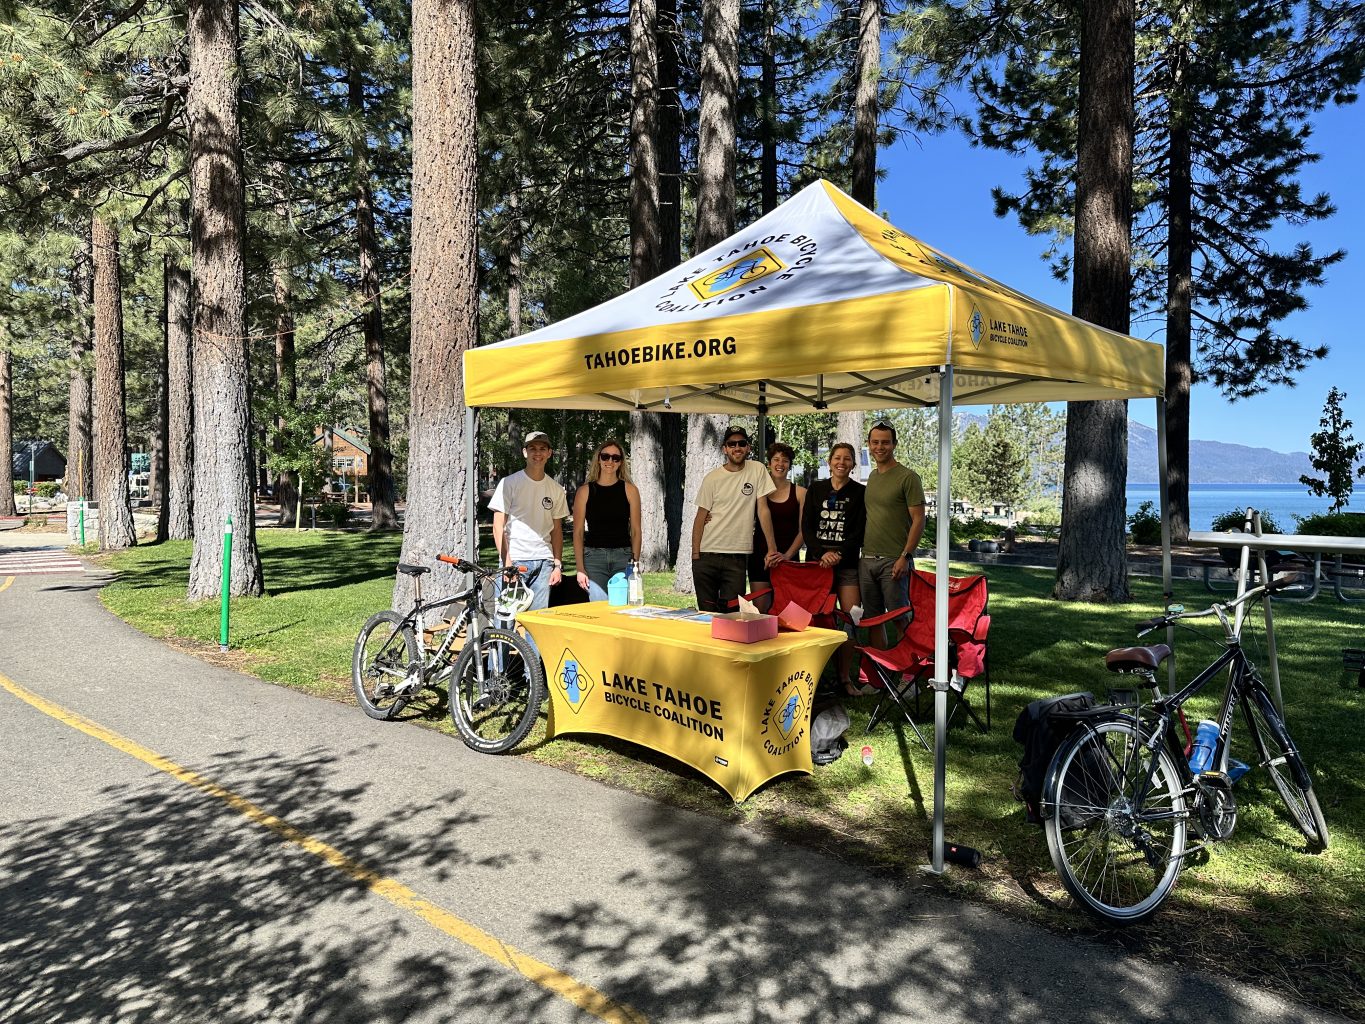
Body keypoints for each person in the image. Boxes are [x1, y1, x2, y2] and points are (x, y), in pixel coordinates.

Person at [690, 426, 780, 612]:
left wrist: (772, 548)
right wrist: (695, 555)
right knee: (706, 615)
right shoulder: (712, 478)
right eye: (732, 444)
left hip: (737, 557)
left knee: (732, 615)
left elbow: (763, 509)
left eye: (741, 443)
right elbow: (700, 518)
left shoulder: (757, 469)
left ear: (748, 447)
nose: (737, 447)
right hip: (707, 554)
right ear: (725, 448)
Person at [802, 442, 866, 691]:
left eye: (847, 458)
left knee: (852, 619)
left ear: (852, 464)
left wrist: (838, 553)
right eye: (837, 458)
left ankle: (844, 678)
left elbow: (860, 531)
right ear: (829, 462)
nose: (842, 462)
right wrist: (822, 553)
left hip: (846, 566)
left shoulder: (860, 493)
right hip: (817, 566)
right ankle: (812, 677)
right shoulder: (815, 489)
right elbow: (807, 527)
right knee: (814, 620)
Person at [489, 430, 569, 612]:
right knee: (505, 619)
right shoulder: (509, 483)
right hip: (516, 560)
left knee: (538, 622)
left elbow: (556, 530)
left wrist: (557, 564)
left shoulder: (556, 489)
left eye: (542, 448)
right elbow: (497, 526)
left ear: (549, 453)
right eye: (532, 448)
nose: (537, 453)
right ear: (525, 452)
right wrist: (507, 563)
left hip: (544, 563)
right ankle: (501, 643)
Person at [859, 421, 926, 630]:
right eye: (875, 442)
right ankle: (878, 662)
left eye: (885, 442)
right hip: (867, 559)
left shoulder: (908, 477)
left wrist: (905, 557)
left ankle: (908, 661)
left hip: (894, 561)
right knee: (873, 620)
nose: (880, 447)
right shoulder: (872, 476)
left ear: (894, 444)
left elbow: (919, 519)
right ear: (869, 445)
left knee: (900, 619)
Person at [572, 438, 642, 601]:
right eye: (605, 456)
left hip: (623, 557)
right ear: (599, 458)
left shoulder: (630, 490)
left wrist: (635, 564)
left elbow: (636, 531)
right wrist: (580, 568)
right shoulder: (584, 491)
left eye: (615, 458)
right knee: (599, 608)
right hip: (593, 558)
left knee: (622, 607)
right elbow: (577, 533)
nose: (610, 461)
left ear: (620, 462)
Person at [748, 441, 805, 588]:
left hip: (789, 557)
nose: (781, 464)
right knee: (760, 609)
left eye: (785, 460)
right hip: (761, 555)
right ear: (769, 463)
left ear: (790, 465)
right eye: (776, 459)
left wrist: (786, 556)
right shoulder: (759, 490)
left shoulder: (800, 493)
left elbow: (803, 530)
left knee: (788, 609)